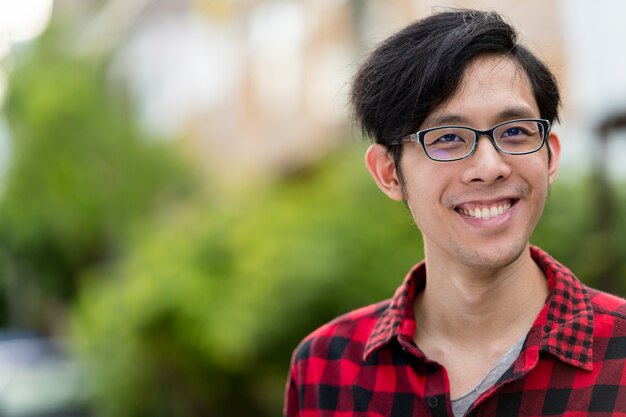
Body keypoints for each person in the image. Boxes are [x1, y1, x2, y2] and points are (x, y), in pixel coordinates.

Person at [283, 8, 626, 417]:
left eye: (515, 132)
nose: (490, 167)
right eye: (448, 138)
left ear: (550, 156)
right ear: (389, 172)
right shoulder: (327, 367)